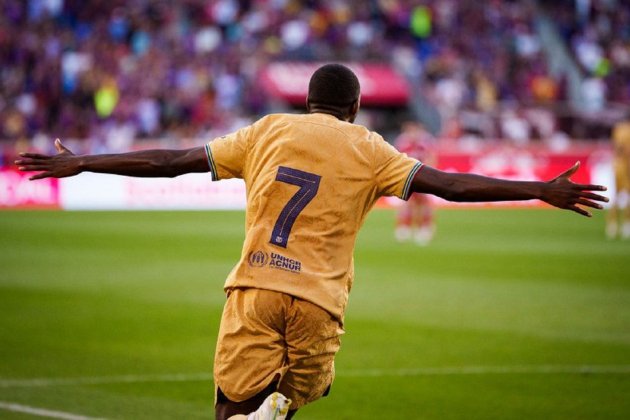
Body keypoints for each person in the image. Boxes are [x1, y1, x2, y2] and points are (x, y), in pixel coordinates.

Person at [15, 64, 608, 420]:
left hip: (255, 287)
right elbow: (449, 187)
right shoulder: (371, 147)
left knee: (230, 409)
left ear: (306, 103)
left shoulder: (267, 132)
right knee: (288, 401)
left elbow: (172, 161)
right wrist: (538, 188)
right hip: (319, 301)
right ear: (352, 108)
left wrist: (86, 162)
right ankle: (279, 404)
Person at [394, 121, 438, 245]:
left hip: (422, 176)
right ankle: (404, 227)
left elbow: (431, 157)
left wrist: (430, 174)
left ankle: (425, 227)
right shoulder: (402, 141)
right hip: (407, 176)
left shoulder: (426, 141)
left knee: (423, 203)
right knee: (407, 202)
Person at [606, 118, 630, 239]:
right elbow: (623, 149)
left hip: (617, 164)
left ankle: (613, 225)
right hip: (624, 165)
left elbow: (616, 146)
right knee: (625, 195)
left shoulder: (618, 128)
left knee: (617, 195)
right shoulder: (625, 130)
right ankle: (624, 224)